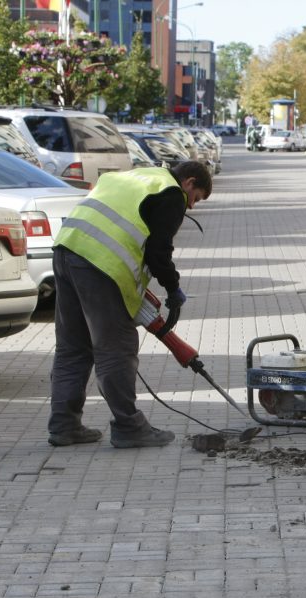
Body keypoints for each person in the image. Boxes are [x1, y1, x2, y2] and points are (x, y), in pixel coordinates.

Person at [47, 161, 212, 448]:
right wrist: (174, 290)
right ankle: (129, 427)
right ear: (189, 182)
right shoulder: (171, 193)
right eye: (195, 198)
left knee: (73, 347)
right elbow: (158, 253)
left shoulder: (141, 176)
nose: (192, 207)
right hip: (98, 263)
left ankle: (64, 425)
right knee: (116, 348)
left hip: (66, 250)